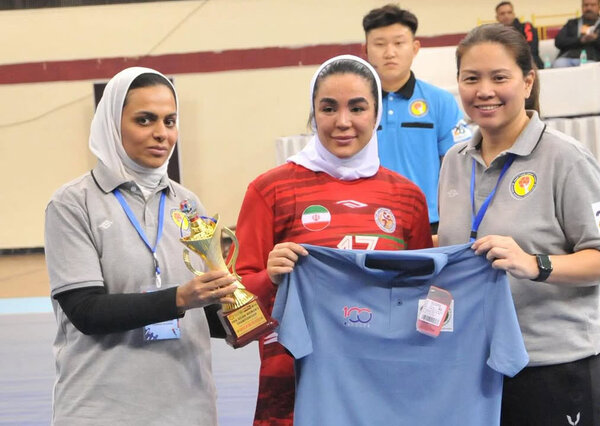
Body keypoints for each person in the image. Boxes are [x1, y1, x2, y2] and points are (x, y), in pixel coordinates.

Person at [438, 24, 600, 425]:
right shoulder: (454, 161)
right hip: (473, 367)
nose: (484, 91)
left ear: (527, 81)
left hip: (552, 370)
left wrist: (534, 263)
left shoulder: (567, 158)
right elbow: (456, 240)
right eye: (471, 79)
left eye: (499, 77)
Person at [232, 55, 432, 425]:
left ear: (376, 114)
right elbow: (234, 317)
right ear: (313, 114)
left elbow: (424, 296)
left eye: (357, 108)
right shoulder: (270, 190)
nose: (342, 122)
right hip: (292, 396)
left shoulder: (407, 198)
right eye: (328, 108)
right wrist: (269, 279)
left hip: (383, 389)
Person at [44, 67, 237, 425]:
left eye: (170, 121)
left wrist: (240, 312)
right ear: (111, 124)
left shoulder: (188, 204)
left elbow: (205, 313)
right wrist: (180, 298)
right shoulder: (72, 203)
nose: (161, 133)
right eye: (144, 120)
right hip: (102, 410)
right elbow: (85, 311)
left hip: (189, 409)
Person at [362, 4, 466, 235]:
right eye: (380, 44)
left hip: (430, 223)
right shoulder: (354, 105)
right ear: (365, 49)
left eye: (399, 43)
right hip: (368, 221)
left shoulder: (441, 101)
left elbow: (460, 166)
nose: (390, 52)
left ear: (415, 47)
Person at [553, 0, 600, 67]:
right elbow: (558, 42)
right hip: (568, 58)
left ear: (599, 8)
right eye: (586, 5)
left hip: (592, 60)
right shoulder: (572, 23)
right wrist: (580, 40)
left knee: (590, 67)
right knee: (558, 64)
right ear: (582, 7)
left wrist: (596, 39)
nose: (589, 8)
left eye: (593, 5)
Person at [495, 1, 545, 69]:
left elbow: (532, 49)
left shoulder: (527, 27)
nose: (506, 16)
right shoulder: (494, 34)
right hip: (504, 66)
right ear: (497, 17)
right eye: (502, 14)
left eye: (509, 12)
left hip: (530, 63)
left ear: (514, 14)